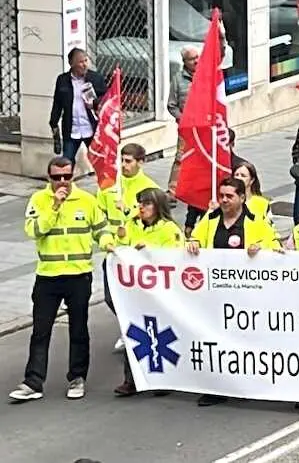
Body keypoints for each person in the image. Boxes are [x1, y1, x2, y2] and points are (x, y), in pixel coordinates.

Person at [9, 156, 114, 403]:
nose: (63, 182)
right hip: (48, 276)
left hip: (78, 275)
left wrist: (109, 243)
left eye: (67, 176)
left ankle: (77, 377)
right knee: (40, 331)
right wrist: (54, 207)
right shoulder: (39, 200)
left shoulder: (87, 201)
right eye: (57, 178)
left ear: (74, 175)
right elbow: (33, 231)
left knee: (79, 329)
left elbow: (101, 229)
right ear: (49, 178)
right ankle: (33, 381)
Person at [187, 177, 281, 406]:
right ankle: (216, 387)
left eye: (229, 196)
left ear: (241, 197)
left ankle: (248, 383)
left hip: (245, 294)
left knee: (246, 339)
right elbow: (194, 238)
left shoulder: (255, 221)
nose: (224, 200)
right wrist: (193, 243)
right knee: (215, 339)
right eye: (222, 195)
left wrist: (261, 249)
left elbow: (276, 247)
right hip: (215, 293)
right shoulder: (210, 219)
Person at [112, 188, 185, 397]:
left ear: (157, 206)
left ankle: (163, 379)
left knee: (161, 334)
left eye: (146, 204)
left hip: (160, 292)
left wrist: (150, 249)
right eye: (139, 203)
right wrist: (121, 237)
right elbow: (120, 252)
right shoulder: (132, 225)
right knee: (133, 331)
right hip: (134, 290)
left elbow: (174, 257)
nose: (141, 208)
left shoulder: (169, 229)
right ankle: (131, 379)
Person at [95, 143, 159, 352]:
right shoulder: (110, 184)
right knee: (111, 296)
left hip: (136, 254)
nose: (123, 165)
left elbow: (152, 218)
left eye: (129, 161)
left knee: (137, 297)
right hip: (114, 252)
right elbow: (99, 216)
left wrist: (128, 210)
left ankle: (134, 331)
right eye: (122, 160)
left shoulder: (149, 187)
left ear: (141, 162)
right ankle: (128, 325)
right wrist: (105, 240)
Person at [50, 48, 108, 168]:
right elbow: (57, 103)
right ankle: (66, 183)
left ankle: (104, 185)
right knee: (66, 162)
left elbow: (106, 99)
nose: (84, 65)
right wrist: (53, 123)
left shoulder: (96, 78)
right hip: (72, 129)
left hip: (91, 128)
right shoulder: (62, 80)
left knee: (99, 161)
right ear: (72, 64)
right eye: (81, 62)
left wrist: (95, 103)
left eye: (86, 60)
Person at [167, 45, 198, 198]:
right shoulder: (178, 79)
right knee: (181, 158)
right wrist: (182, 119)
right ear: (185, 61)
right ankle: (172, 191)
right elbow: (171, 105)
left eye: (197, 57)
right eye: (192, 59)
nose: (196, 61)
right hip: (186, 127)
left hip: (204, 125)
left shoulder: (205, 75)